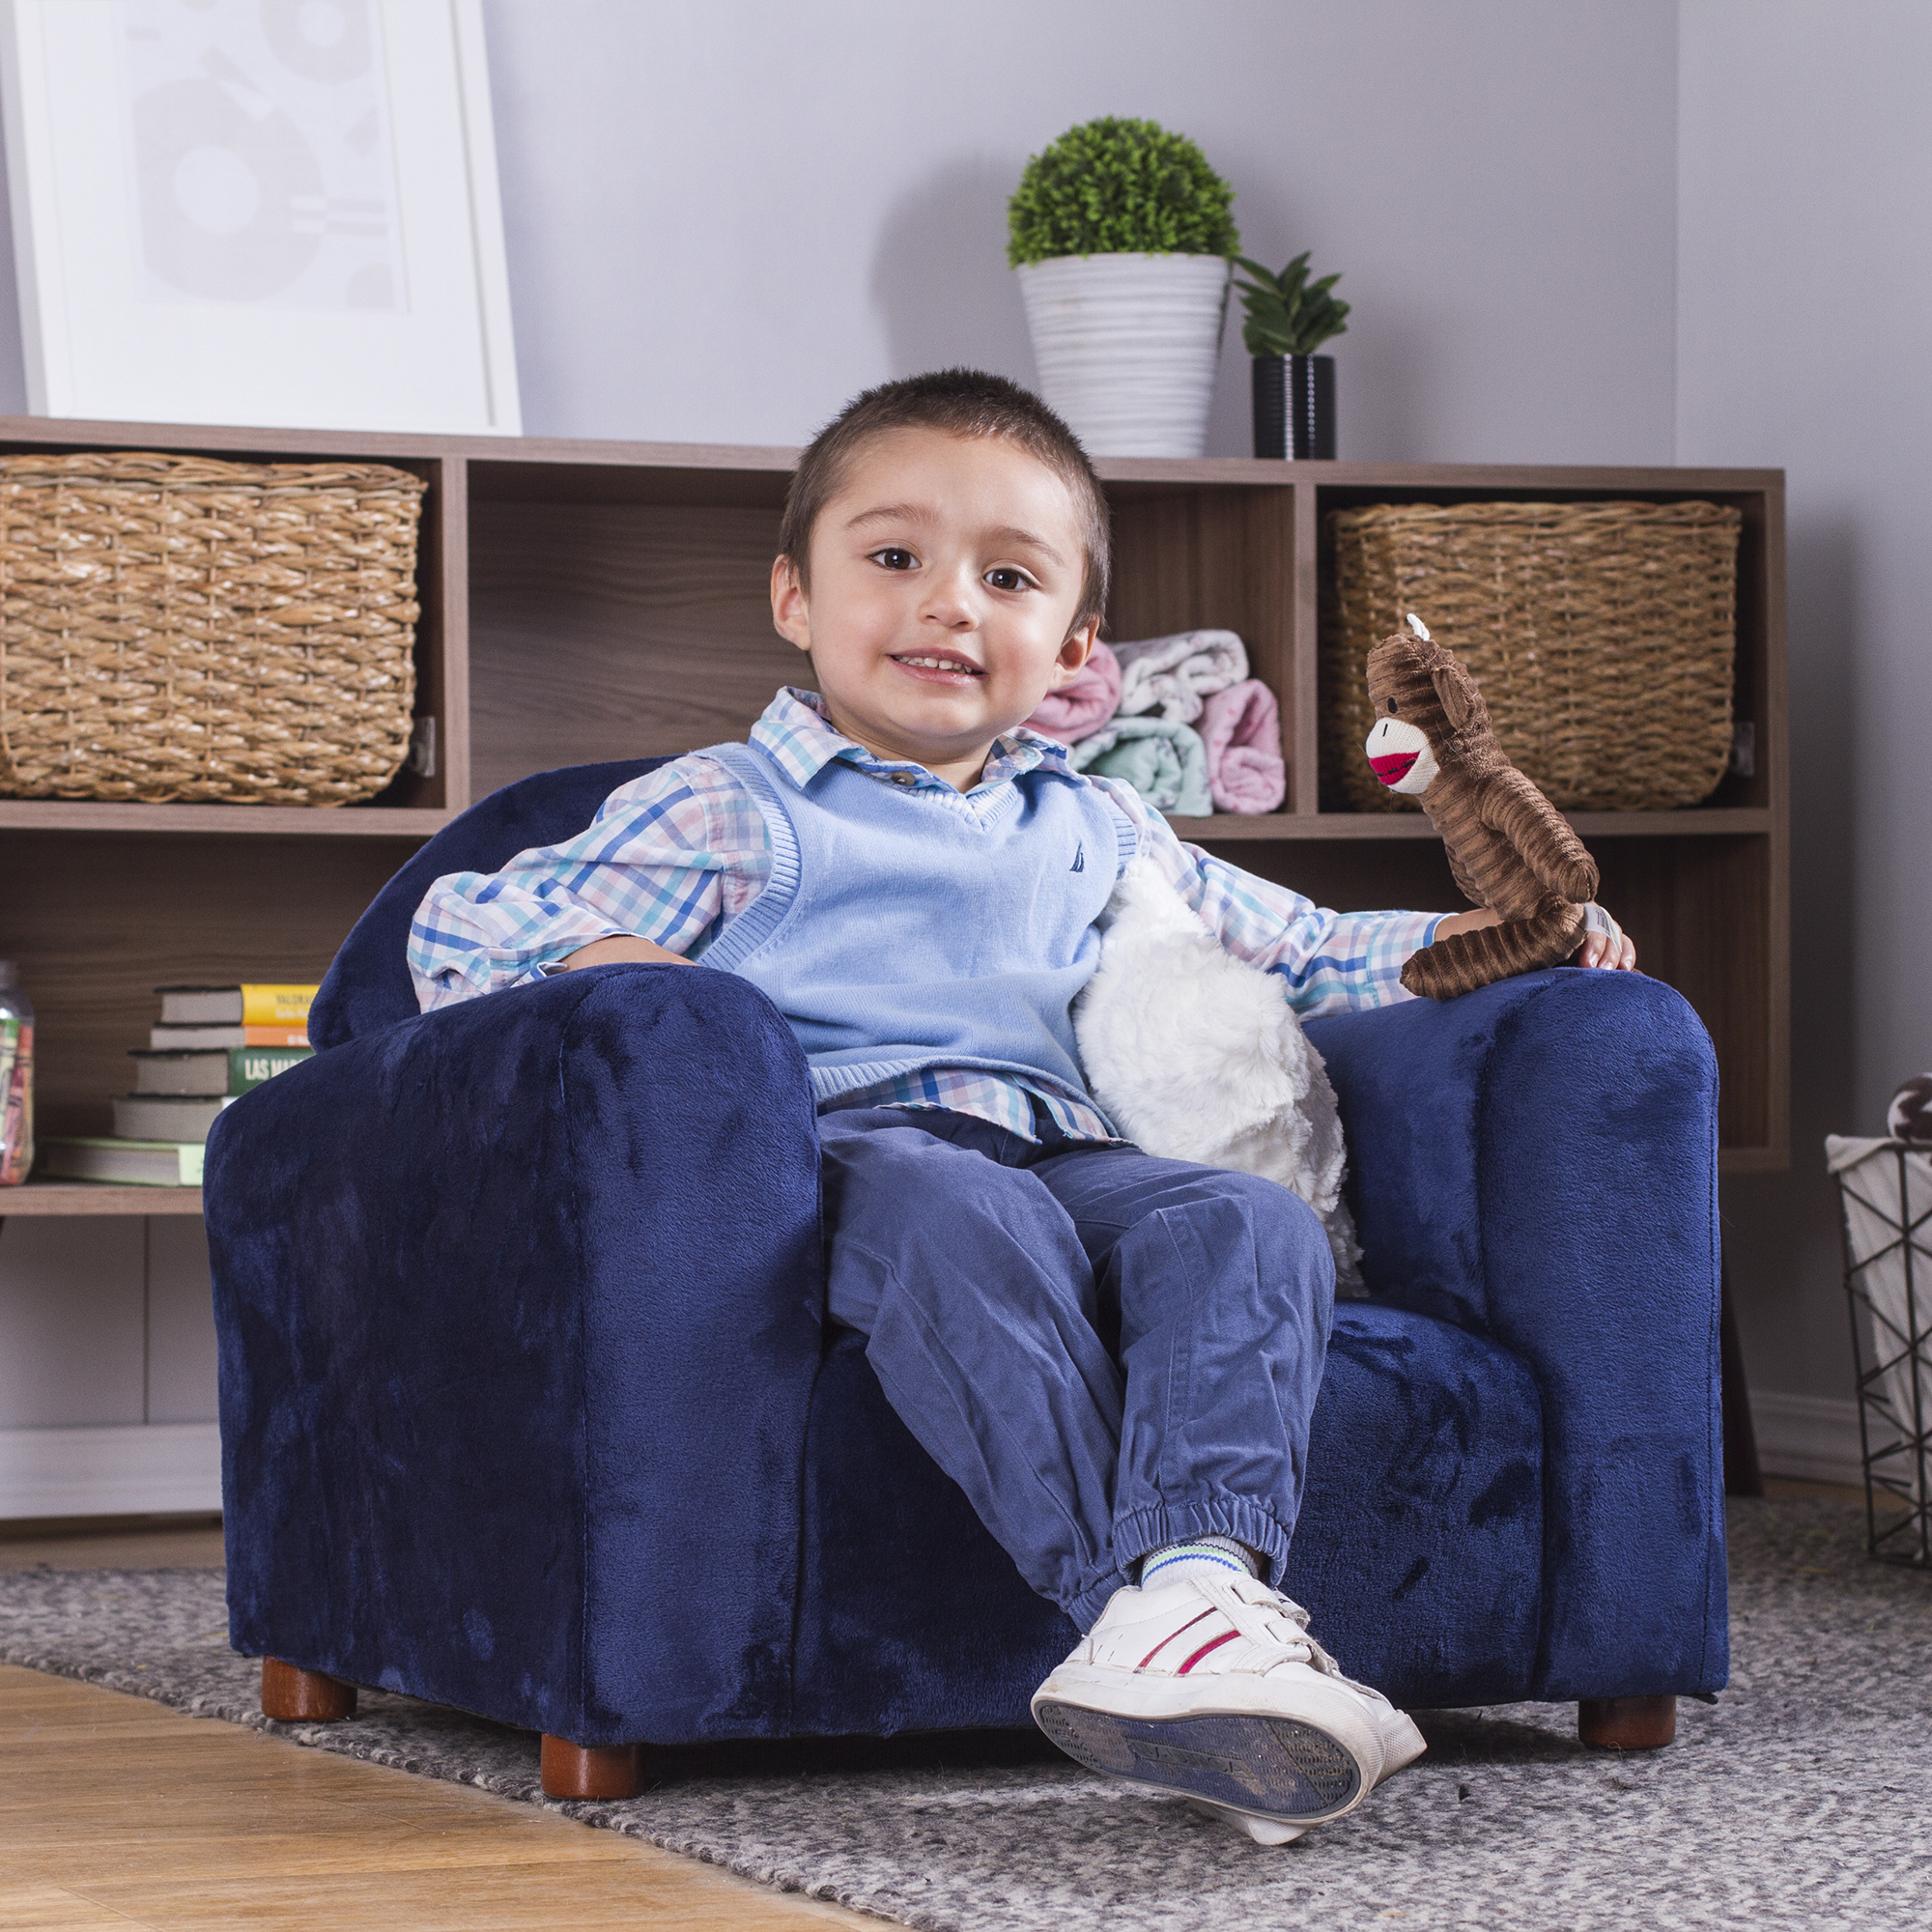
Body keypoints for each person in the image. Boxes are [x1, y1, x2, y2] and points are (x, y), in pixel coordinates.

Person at [408, 369, 1635, 1846]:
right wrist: (619, 972)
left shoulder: (1098, 820)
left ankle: (1199, 1596)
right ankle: (1132, 1615)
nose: (948, 606)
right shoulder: (730, 806)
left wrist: (1501, 945)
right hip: (847, 1158)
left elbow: (1299, 946)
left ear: (1070, 646)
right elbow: (464, 934)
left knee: (1243, 1222)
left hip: (1070, 1151)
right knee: (965, 1208)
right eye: (894, 559)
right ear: (795, 595)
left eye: (1007, 577)